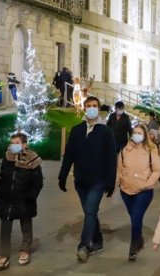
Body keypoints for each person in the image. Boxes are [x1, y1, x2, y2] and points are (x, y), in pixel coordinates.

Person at [59, 96, 117, 262]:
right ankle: (98, 240)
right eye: (89, 106)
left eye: (95, 106)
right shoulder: (77, 130)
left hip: (98, 180)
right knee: (90, 213)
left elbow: (111, 158)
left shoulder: (106, 132)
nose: (92, 108)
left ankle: (83, 245)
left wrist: (111, 181)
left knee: (91, 211)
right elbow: (69, 154)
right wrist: (63, 175)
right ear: (84, 108)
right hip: (81, 180)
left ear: (99, 109)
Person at [0, 133, 43, 271]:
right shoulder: (7, 158)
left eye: (17, 142)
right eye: (12, 142)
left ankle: (25, 250)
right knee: (5, 227)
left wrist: (31, 196)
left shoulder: (32, 159)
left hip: (24, 198)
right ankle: (4, 255)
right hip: (7, 198)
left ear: (24, 144)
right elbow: (2, 178)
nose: (13, 145)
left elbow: (37, 181)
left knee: (26, 225)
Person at [118, 124, 160, 261]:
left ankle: (134, 246)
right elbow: (119, 169)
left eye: (139, 133)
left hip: (143, 191)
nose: (136, 135)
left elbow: (157, 170)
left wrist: (148, 183)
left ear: (144, 136)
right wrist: (119, 182)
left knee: (136, 216)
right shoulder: (125, 150)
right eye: (135, 132)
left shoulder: (150, 151)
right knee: (134, 217)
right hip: (126, 190)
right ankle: (139, 238)